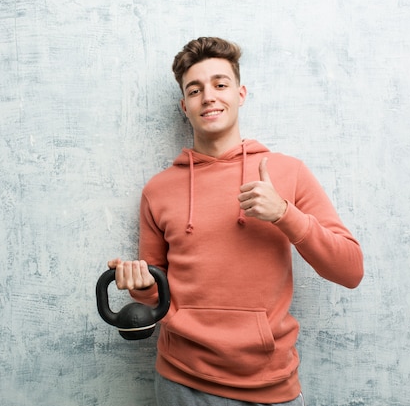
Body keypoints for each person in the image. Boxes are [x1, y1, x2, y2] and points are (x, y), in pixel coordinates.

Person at [107, 36, 364, 406]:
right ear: (184, 105)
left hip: (271, 386)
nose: (208, 96)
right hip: (181, 383)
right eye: (195, 90)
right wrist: (138, 284)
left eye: (220, 84)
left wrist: (284, 215)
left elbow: (350, 270)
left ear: (240, 94)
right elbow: (154, 295)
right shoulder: (158, 190)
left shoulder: (287, 173)